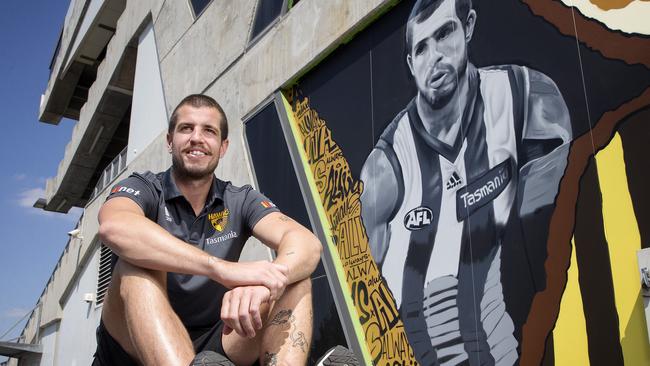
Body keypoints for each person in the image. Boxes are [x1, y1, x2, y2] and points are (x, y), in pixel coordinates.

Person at [360, 0, 572, 365]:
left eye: (445, 33)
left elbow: (549, 238)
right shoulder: (385, 168)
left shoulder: (526, 99)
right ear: (410, 63)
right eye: (421, 47)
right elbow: (368, 300)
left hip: (511, 348)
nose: (435, 56)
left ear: (469, 26)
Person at [93, 94, 322, 366]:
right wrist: (219, 268)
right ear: (170, 141)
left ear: (223, 147)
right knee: (137, 266)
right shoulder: (144, 187)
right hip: (130, 345)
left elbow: (306, 243)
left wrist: (267, 285)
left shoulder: (240, 199)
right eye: (186, 128)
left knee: (292, 278)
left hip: (214, 347)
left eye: (209, 131)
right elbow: (114, 226)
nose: (196, 138)